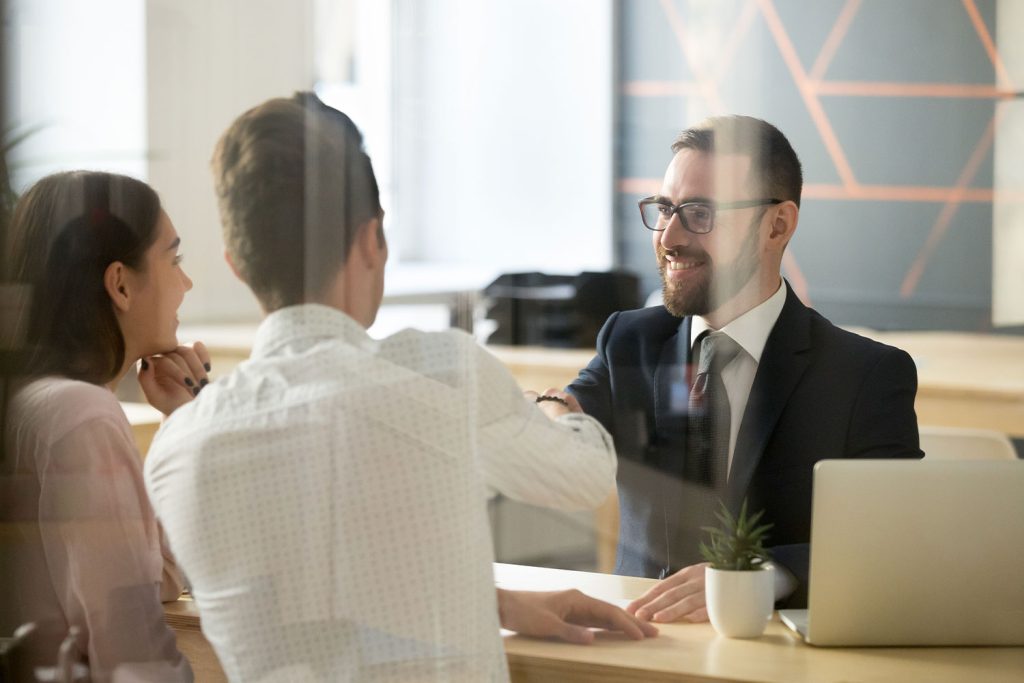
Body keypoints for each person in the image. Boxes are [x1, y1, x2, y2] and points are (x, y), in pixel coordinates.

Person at [144, 92, 655, 683]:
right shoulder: (437, 371)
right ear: (372, 238)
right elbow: (585, 476)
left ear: (237, 264)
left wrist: (497, 603)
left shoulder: (178, 447)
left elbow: (313, 600)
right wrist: (558, 406)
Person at [567, 115, 922, 622]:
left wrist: (761, 574)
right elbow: (573, 409)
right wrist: (554, 410)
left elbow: (894, 539)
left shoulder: (865, 376)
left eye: (700, 213)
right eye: (665, 209)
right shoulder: (630, 340)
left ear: (776, 225)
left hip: (778, 657)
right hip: (639, 648)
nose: (668, 236)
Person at [0, 171, 210, 681]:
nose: (186, 283)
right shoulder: (83, 415)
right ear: (119, 283)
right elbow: (131, 650)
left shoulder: (36, 399)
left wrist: (182, 421)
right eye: (174, 260)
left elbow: (152, 579)